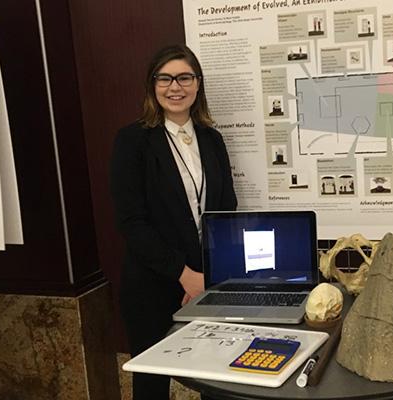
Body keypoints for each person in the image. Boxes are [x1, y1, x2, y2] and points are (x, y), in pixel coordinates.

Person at [110, 44, 237, 400]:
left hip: (207, 283)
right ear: (152, 85)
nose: (174, 87)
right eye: (164, 78)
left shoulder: (212, 140)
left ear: (198, 84)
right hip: (151, 284)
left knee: (216, 379)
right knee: (152, 385)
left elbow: (226, 210)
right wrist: (184, 274)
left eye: (184, 77)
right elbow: (131, 221)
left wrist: (206, 276)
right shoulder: (132, 140)